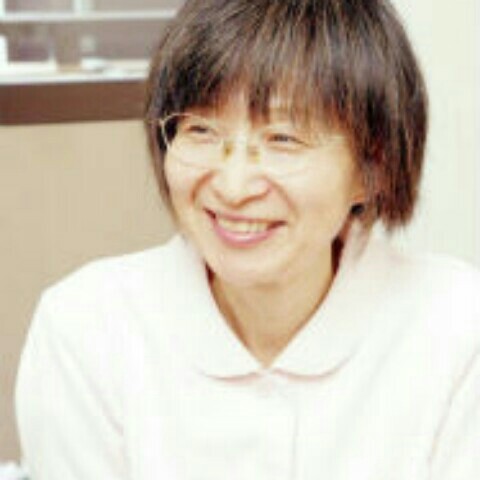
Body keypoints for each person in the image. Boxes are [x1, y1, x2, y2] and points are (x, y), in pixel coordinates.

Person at [16, 0, 479, 479]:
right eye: (201, 129)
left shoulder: (456, 325)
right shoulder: (87, 328)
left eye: (283, 139)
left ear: (372, 167)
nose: (233, 187)